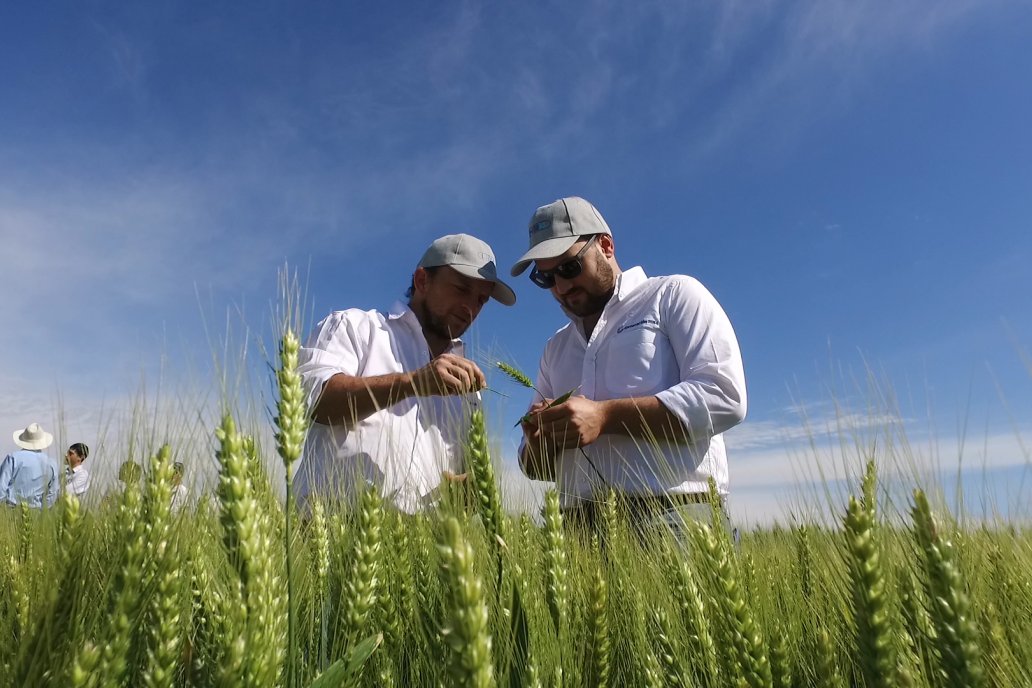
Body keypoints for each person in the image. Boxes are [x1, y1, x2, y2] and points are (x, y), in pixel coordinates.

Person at [511, 197, 747, 532]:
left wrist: (605, 416)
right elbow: (536, 469)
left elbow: (724, 397)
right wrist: (539, 438)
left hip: (672, 517)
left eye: (569, 267)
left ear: (605, 245)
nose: (562, 287)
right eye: (545, 278)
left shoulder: (672, 295)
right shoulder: (555, 348)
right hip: (576, 529)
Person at [296, 233, 516, 513]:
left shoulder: (467, 388)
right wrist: (411, 383)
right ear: (422, 280)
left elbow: (461, 477)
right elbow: (315, 401)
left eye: (481, 300)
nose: (470, 307)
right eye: (461, 289)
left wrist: (469, 492)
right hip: (331, 534)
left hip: (421, 552)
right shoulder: (356, 327)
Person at [1, 422, 60, 509]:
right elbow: (53, 493)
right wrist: (43, 510)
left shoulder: (13, 458)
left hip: (11, 509)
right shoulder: (51, 463)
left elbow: (1, 486)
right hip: (36, 512)